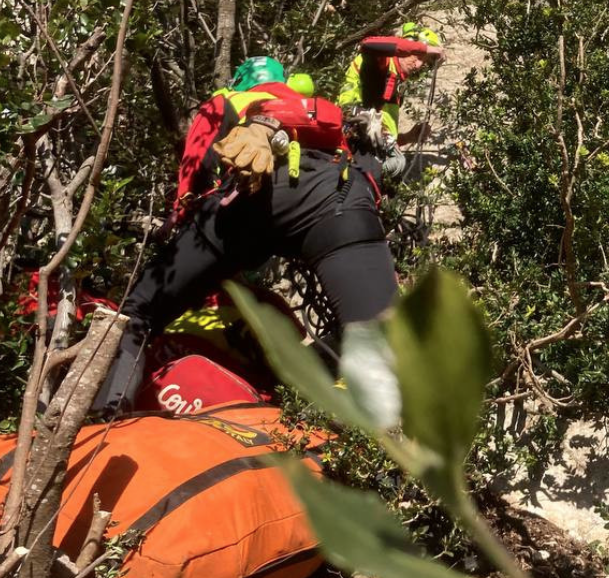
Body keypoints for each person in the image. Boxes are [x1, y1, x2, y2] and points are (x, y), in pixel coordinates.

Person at [93, 57, 398, 416]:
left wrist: (182, 217)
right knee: (382, 331)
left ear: (241, 80)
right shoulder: (320, 112)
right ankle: (339, 427)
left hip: (246, 199)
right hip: (333, 197)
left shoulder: (226, 100)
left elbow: (198, 166)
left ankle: (107, 413)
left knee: (138, 313)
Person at [338, 22, 445, 176]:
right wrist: (426, 48)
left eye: (425, 61)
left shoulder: (396, 85)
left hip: (367, 149)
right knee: (396, 163)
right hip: (350, 136)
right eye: (418, 56)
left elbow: (382, 139)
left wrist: (407, 138)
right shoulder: (383, 62)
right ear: (406, 47)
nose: (419, 64)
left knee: (396, 163)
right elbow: (368, 44)